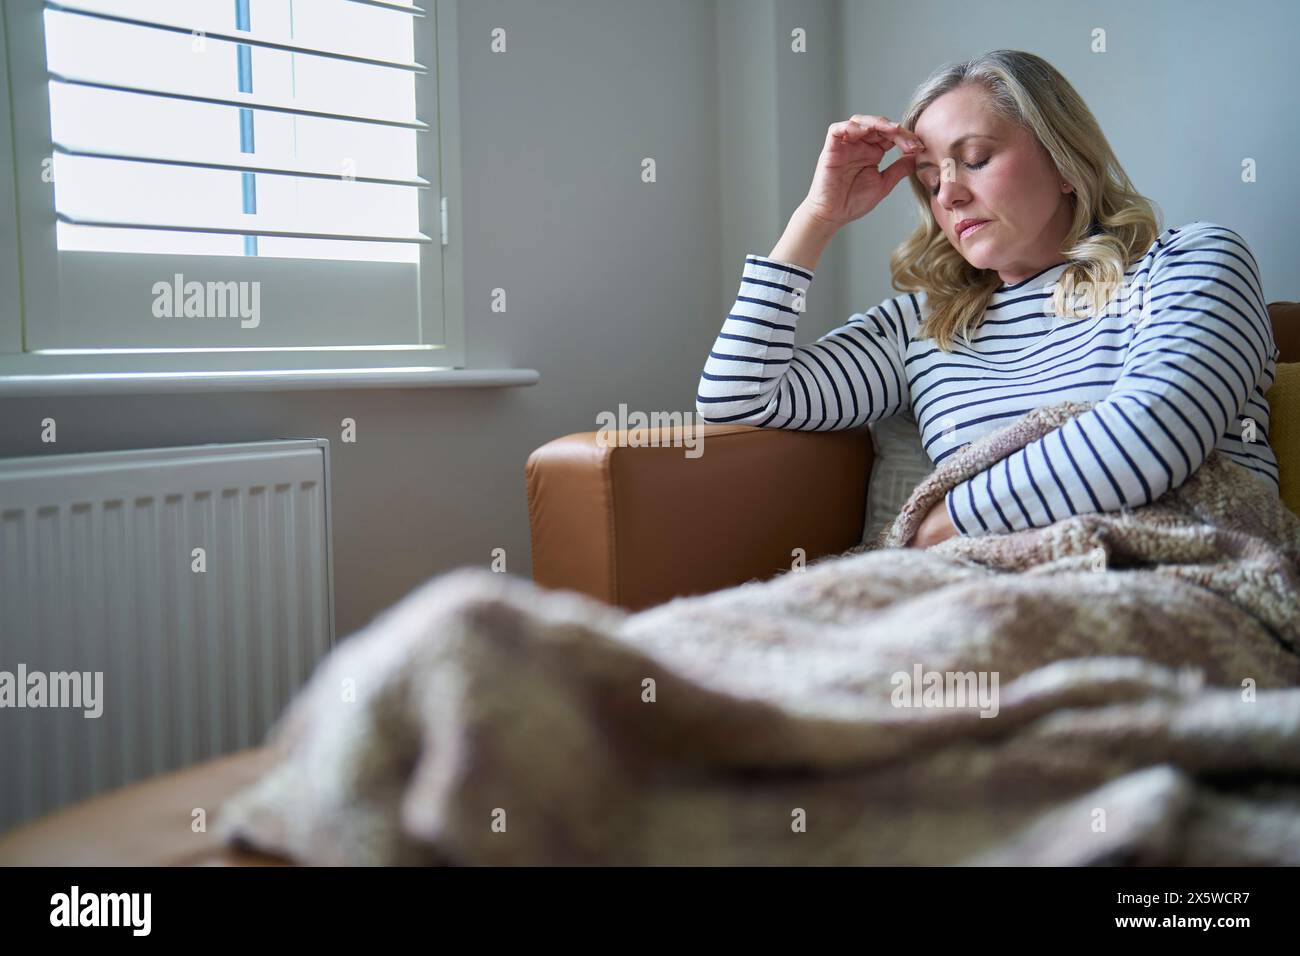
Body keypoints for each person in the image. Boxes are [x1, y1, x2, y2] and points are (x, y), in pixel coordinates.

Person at [696, 49, 1280, 549]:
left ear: (1065, 164)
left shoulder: (1191, 264)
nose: (948, 192)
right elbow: (736, 398)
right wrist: (817, 217)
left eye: (975, 160)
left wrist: (942, 525)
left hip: (1169, 572)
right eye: (928, 179)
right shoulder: (924, 326)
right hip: (979, 589)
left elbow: (1157, 433)